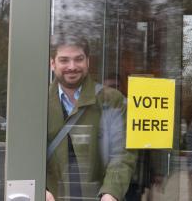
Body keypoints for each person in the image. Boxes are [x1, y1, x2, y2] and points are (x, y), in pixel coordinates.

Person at [46, 35, 137, 201]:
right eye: (64, 60)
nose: (72, 66)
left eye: (78, 59)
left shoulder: (112, 99)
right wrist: (41, 189)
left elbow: (122, 154)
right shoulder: (38, 103)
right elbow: (26, 155)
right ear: (53, 64)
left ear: (87, 61)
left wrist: (111, 192)